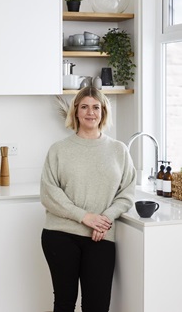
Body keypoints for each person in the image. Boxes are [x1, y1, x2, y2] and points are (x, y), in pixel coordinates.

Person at [40, 87, 136, 312]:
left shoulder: (118, 150)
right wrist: (85, 217)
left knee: (97, 306)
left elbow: (127, 193)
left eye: (96, 107)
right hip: (60, 234)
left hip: (100, 236)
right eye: (84, 107)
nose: (90, 112)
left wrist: (105, 218)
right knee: (64, 302)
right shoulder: (59, 150)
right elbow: (49, 193)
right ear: (75, 112)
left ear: (103, 112)